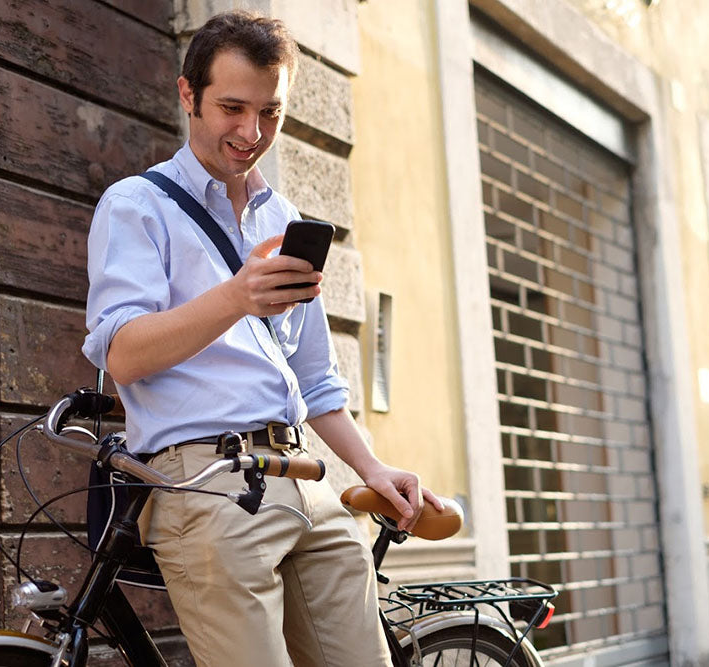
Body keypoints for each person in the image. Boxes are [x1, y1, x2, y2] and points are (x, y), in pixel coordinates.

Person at [82, 10, 441, 667]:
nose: (251, 133)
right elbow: (122, 351)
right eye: (232, 107)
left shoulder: (283, 218)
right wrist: (234, 296)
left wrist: (370, 467)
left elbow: (316, 377)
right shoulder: (137, 206)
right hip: (211, 483)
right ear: (188, 95)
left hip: (308, 479)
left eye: (269, 113)